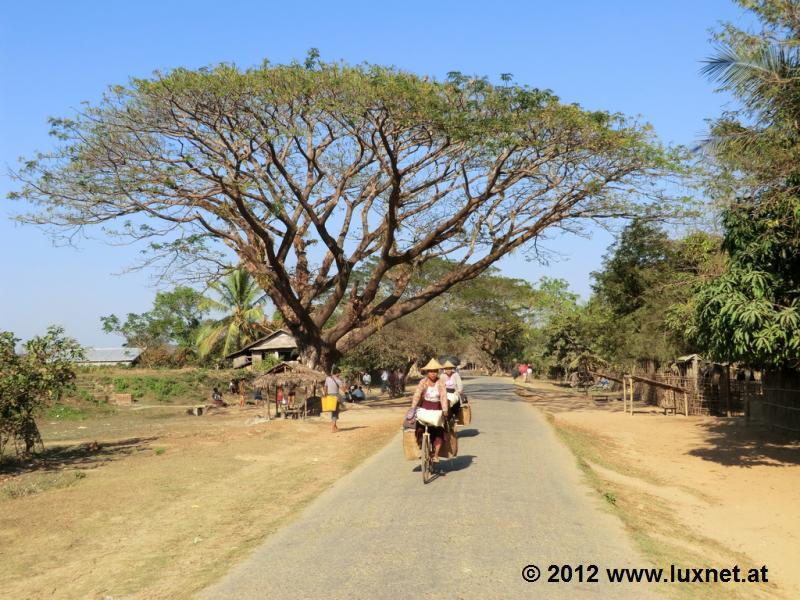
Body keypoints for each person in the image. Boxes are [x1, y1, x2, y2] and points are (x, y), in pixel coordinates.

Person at [411, 358, 449, 465]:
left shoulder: (440, 382)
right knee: (419, 428)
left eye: (435, 371)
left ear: (438, 372)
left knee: (439, 431)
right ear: (427, 372)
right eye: (431, 371)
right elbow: (417, 395)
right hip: (424, 407)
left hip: (436, 407)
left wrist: (445, 409)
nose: (433, 373)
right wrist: (413, 407)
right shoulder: (423, 382)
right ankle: (422, 449)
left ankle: (436, 454)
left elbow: (443, 396)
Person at [325, 367, 344, 433]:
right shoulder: (338, 380)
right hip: (336, 396)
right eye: (339, 373)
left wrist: (325, 395)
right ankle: (333, 427)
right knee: (335, 411)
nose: (340, 375)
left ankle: (335, 426)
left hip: (329, 396)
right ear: (337, 373)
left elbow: (325, 387)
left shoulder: (327, 378)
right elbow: (343, 389)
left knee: (333, 411)